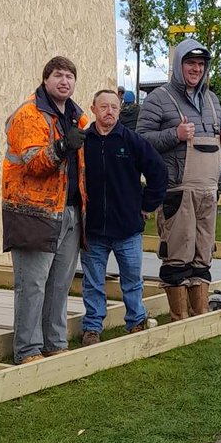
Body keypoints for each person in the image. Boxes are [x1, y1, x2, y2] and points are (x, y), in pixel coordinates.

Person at [136, 38, 221, 319]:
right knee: (178, 255)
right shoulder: (158, 99)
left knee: (203, 255)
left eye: (201, 64)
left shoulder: (212, 100)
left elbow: (219, 139)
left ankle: (200, 314)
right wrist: (173, 135)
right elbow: (140, 141)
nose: (196, 69)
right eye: (190, 63)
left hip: (207, 192)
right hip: (176, 191)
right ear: (179, 65)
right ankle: (179, 319)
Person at [1, 56, 88, 364]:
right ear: (46, 79)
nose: (64, 81)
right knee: (32, 285)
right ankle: (27, 350)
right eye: (58, 76)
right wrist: (62, 147)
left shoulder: (78, 118)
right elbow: (34, 164)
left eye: (70, 77)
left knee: (59, 285)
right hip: (33, 213)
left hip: (70, 212)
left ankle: (55, 343)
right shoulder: (29, 115)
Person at [80, 89, 168, 345]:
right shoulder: (83, 142)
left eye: (114, 107)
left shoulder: (132, 141)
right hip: (93, 229)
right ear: (93, 109)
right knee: (93, 282)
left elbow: (158, 171)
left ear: (120, 110)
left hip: (128, 228)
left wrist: (147, 205)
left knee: (131, 280)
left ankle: (136, 321)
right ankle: (92, 327)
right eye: (104, 106)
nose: (109, 111)